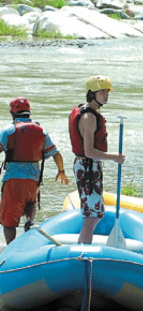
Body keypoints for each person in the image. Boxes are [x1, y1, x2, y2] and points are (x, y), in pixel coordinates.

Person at [0, 97, 69, 245]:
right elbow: (56, 153)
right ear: (29, 113)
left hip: (13, 180)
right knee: (30, 203)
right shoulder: (41, 132)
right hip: (33, 180)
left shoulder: (8, 130)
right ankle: (30, 221)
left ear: (13, 114)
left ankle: (11, 248)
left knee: (9, 223)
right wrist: (61, 170)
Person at [69, 76, 126, 244]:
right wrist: (114, 157)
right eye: (102, 92)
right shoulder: (89, 117)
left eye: (107, 92)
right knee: (91, 215)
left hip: (91, 166)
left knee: (97, 213)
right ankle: (83, 249)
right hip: (86, 167)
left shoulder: (94, 113)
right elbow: (88, 151)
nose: (106, 95)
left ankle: (84, 243)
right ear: (92, 94)